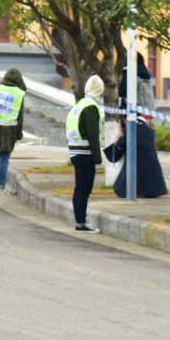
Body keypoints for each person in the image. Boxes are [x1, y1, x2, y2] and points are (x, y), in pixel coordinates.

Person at [65, 74, 104, 231]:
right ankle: (81, 223)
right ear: (98, 91)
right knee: (84, 189)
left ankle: (79, 220)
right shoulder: (91, 108)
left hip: (75, 151)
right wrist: (98, 160)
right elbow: (93, 136)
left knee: (79, 188)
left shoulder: (79, 105)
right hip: (86, 153)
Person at [0, 68, 27, 192]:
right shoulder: (18, 93)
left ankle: (0, 184)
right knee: (4, 158)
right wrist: (19, 134)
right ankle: (2, 186)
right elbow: (19, 117)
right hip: (9, 129)